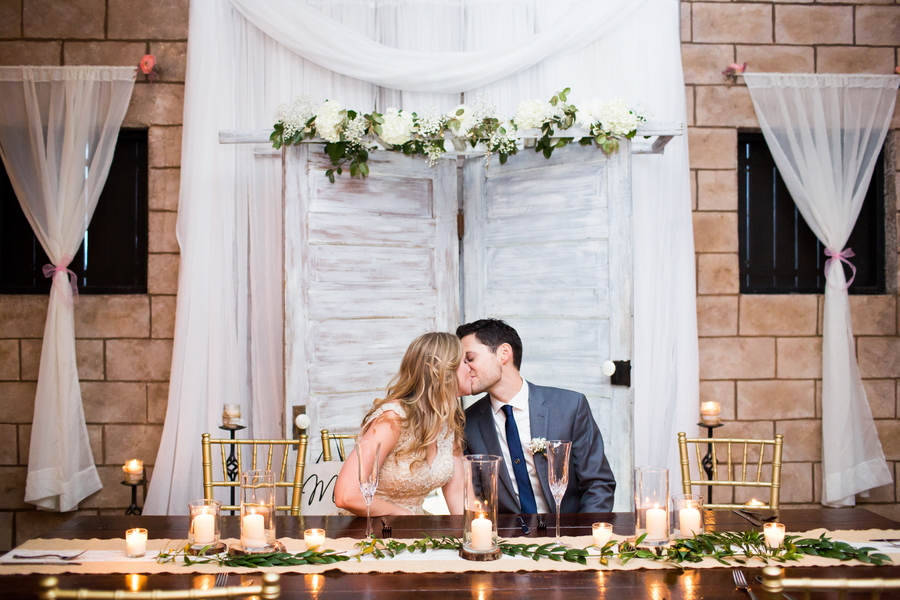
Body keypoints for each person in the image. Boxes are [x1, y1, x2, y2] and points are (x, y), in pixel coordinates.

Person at [458, 318, 616, 514]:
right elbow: (474, 499)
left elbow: (598, 484)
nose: (464, 369)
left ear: (504, 353)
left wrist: (582, 538)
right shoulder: (467, 423)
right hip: (506, 540)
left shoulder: (569, 407)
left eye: (470, 359)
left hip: (567, 536)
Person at [334, 332, 471, 515]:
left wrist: (477, 534)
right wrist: (405, 514)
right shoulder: (393, 419)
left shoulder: (447, 421)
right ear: (444, 371)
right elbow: (346, 495)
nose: (471, 368)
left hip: (414, 530)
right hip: (370, 529)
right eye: (465, 361)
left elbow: (458, 496)